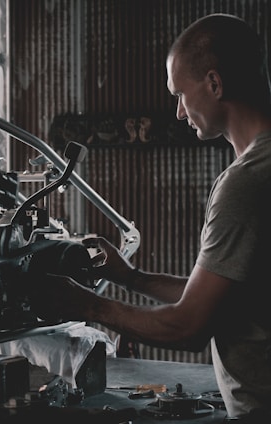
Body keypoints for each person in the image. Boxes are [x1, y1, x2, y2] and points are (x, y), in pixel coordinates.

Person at [30, 14, 271, 422]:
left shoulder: (245, 183)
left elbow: (189, 326)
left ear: (214, 84)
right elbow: (225, 299)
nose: (178, 112)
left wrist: (86, 304)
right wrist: (131, 278)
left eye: (180, 94)